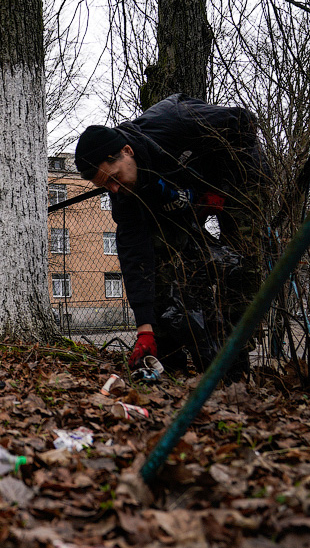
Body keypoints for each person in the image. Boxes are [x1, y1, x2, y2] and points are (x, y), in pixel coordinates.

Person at [74, 93, 268, 375]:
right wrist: (144, 328)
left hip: (240, 178)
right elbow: (134, 257)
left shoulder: (174, 120)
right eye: (106, 187)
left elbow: (244, 123)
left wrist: (220, 186)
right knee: (165, 253)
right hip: (189, 194)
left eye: (114, 178)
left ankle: (236, 356)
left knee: (243, 261)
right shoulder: (126, 197)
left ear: (127, 151)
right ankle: (174, 353)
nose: (114, 190)